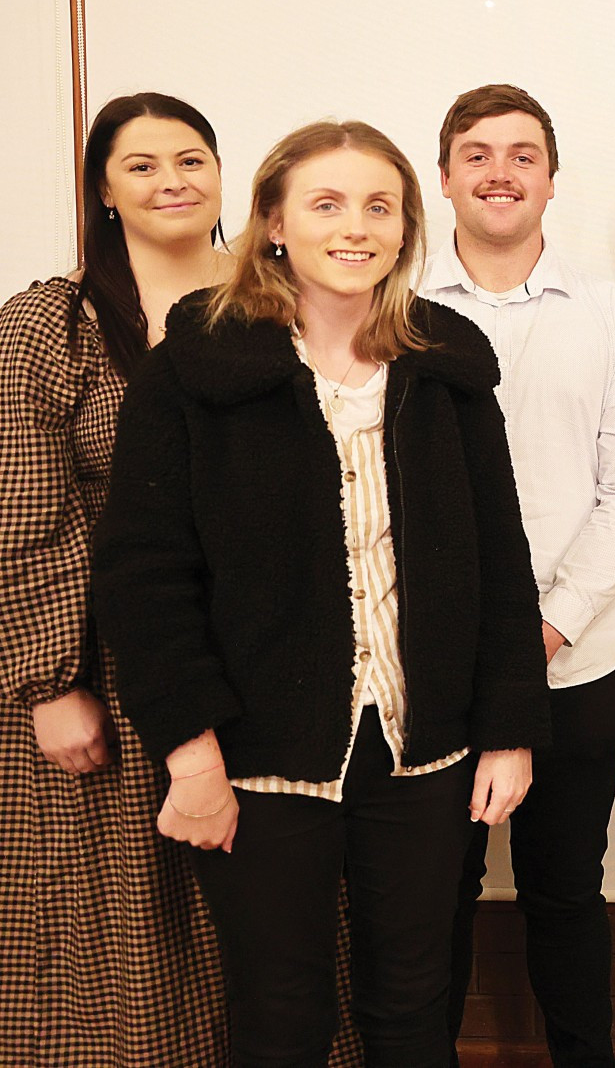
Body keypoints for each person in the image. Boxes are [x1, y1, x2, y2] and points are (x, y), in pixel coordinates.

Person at [94, 119, 550, 1067]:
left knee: (415, 1003)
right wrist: (189, 752)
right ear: (272, 224)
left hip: (421, 749)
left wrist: (508, 726)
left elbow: (500, 561)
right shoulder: (197, 366)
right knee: (279, 1010)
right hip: (261, 758)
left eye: (379, 207)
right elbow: (144, 578)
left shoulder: (446, 363)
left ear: (405, 226)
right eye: (327, 204)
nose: (357, 227)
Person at [427, 85, 615, 1068]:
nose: (499, 171)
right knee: (431, 891)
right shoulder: (391, 309)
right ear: (442, 174)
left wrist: (547, 627)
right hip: (432, 669)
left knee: (565, 887)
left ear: (551, 179)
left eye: (521, 154)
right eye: (477, 153)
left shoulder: (613, 317)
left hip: (573, 664)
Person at [0, 93, 232, 1065]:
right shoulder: (49, 322)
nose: (171, 179)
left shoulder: (279, 292)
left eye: (190, 158)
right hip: (101, 654)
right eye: (140, 164)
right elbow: (21, 512)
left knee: (274, 921)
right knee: (122, 922)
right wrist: (52, 684)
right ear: (102, 188)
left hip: (262, 649)